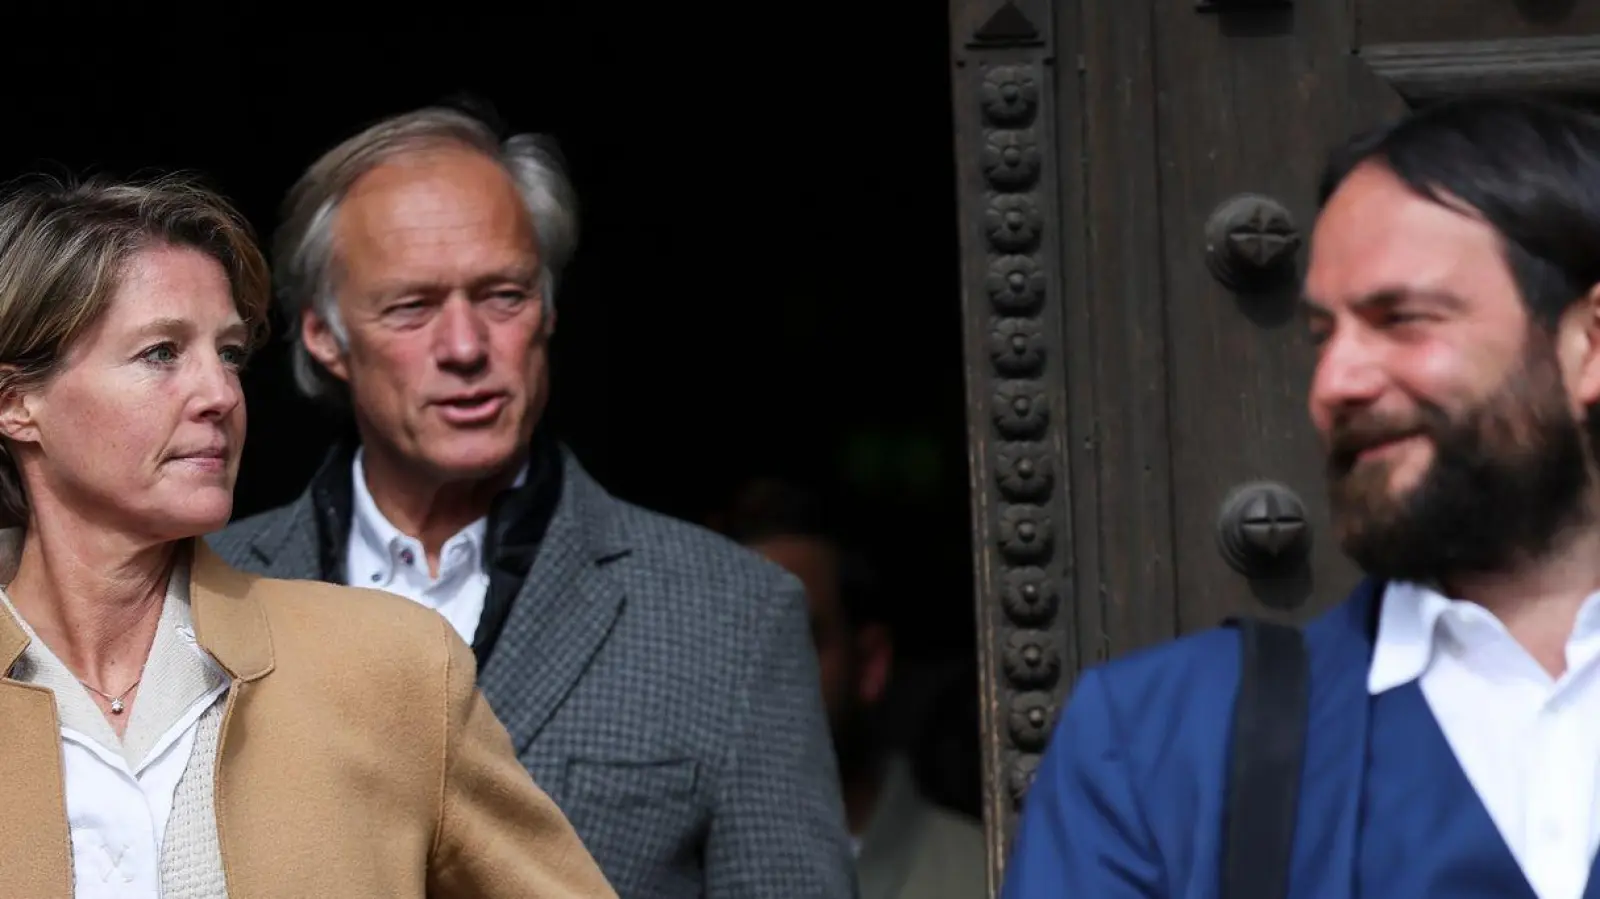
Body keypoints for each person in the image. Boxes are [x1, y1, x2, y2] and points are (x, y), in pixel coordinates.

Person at [206, 105, 855, 898]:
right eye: (411, 306)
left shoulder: (731, 616)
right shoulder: (203, 594)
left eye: (502, 295)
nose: (466, 346)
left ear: (548, 309)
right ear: (325, 338)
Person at [1003, 94, 1600, 898]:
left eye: (1403, 319)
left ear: (1590, 344)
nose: (1335, 384)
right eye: (1324, 336)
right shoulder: (1161, 742)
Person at [0, 175, 615, 898]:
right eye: (162, 352)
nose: (220, 395)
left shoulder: (391, 667)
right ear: (17, 405)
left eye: (229, 353)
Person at [717, 478, 987, 899]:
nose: (750, 679)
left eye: (790, 645)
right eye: (725, 646)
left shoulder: (987, 875)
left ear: (870, 665)